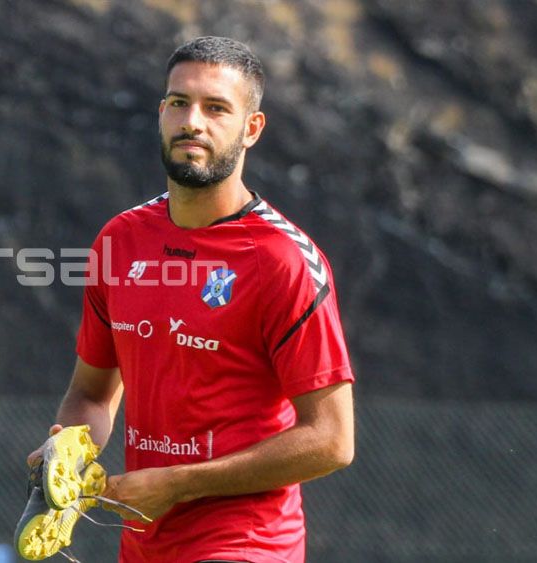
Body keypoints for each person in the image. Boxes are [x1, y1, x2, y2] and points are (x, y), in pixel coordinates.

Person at [27, 37, 355, 563]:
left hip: (246, 544)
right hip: (143, 542)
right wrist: (65, 453)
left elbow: (332, 440)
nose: (192, 121)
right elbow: (91, 394)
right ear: (161, 114)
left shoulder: (282, 259)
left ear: (252, 128)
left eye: (216, 107)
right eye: (179, 102)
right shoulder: (121, 239)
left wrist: (179, 483)